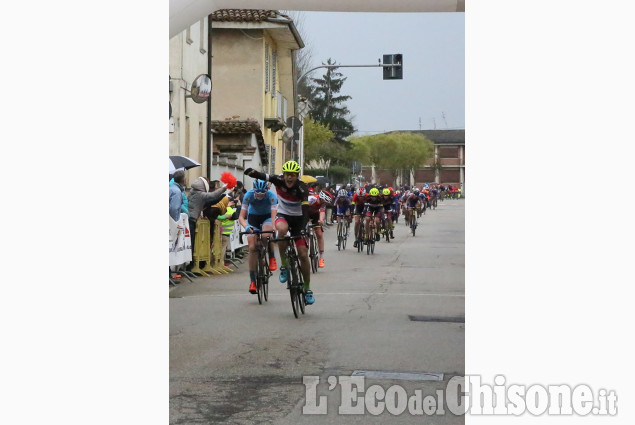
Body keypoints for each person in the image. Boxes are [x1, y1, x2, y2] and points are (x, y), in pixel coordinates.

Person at [244, 160, 315, 305]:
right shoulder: (279, 180)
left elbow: (306, 210)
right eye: (287, 174)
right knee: (281, 231)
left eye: (293, 175)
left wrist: (302, 228)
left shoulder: (302, 188)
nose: (289, 178)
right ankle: (284, 266)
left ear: (297, 176)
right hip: (283, 215)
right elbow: (265, 176)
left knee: (303, 254)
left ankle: (307, 289)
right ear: (284, 175)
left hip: (299, 219)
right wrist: (253, 173)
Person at [238, 179, 278, 294]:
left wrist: (274, 227)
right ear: (254, 190)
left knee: (265, 235)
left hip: (267, 217)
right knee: (252, 248)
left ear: (267, 190)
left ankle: (271, 256)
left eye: (262, 194)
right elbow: (241, 217)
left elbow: (274, 216)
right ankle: (252, 281)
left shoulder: (271, 196)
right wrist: (246, 227)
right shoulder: (248, 195)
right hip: (253, 219)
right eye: (258, 194)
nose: (260, 196)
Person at [186, 176, 229, 266]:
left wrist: (223, 194)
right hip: (192, 220)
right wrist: (224, 189)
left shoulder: (193, 191)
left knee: (193, 243)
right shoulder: (199, 194)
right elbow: (212, 196)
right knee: (193, 243)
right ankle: (192, 265)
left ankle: (194, 264)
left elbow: (210, 201)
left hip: (192, 219)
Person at [307, 189, 334, 267]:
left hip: (315, 215)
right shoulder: (311, 199)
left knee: (319, 234)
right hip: (305, 213)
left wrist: (321, 220)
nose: (324, 203)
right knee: (304, 231)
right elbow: (303, 208)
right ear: (321, 198)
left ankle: (321, 258)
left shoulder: (323, 203)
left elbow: (322, 211)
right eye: (324, 202)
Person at [217, 196, 239, 267]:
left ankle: (218, 262)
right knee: (222, 249)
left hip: (220, 232)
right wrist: (238, 206)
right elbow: (236, 215)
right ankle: (220, 263)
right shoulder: (231, 210)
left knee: (219, 248)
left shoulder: (222, 209)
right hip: (225, 234)